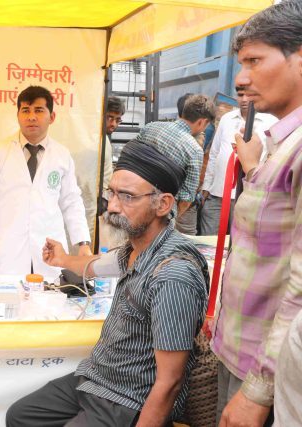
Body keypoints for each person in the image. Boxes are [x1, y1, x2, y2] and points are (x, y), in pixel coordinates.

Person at [6, 140, 208, 426]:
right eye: (111, 193)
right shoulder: (133, 251)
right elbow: (93, 267)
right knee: (21, 416)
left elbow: (170, 382)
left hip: (128, 399)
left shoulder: (172, 275)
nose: (112, 206)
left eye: (127, 197)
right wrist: (63, 259)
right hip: (96, 379)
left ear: (163, 204)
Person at [210, 2, 302, 426]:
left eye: (254, 61)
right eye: (240, 62)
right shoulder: (279, 142)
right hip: (241, 352)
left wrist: (258, 391)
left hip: (268, 371)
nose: (241, 78)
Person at [0, 85, 91, 276]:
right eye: (25, 110)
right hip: (9, 253)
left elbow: (71, 202)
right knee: (10, 302)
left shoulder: (61, 155)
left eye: (39, 110)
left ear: (52, 117)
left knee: (51, 300)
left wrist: (83, 243)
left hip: (50, 251)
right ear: (18, 116)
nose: (31, 117)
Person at [199, 87, 277, 235]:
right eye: (241, 95)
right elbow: (214, 153)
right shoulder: (226, 119)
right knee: (208, 242)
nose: (244, 100)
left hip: (247, 197)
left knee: (238, 244)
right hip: (217, 194)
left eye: (249, 95)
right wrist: (207, 186)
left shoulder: (270, 122)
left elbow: (273, 158)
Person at [136, 94, 215, 235]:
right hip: (163, 213)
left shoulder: (150, 127)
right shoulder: (193, 149)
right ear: (202, 122)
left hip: (135, 202)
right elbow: (187, 197)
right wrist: (170, 219)